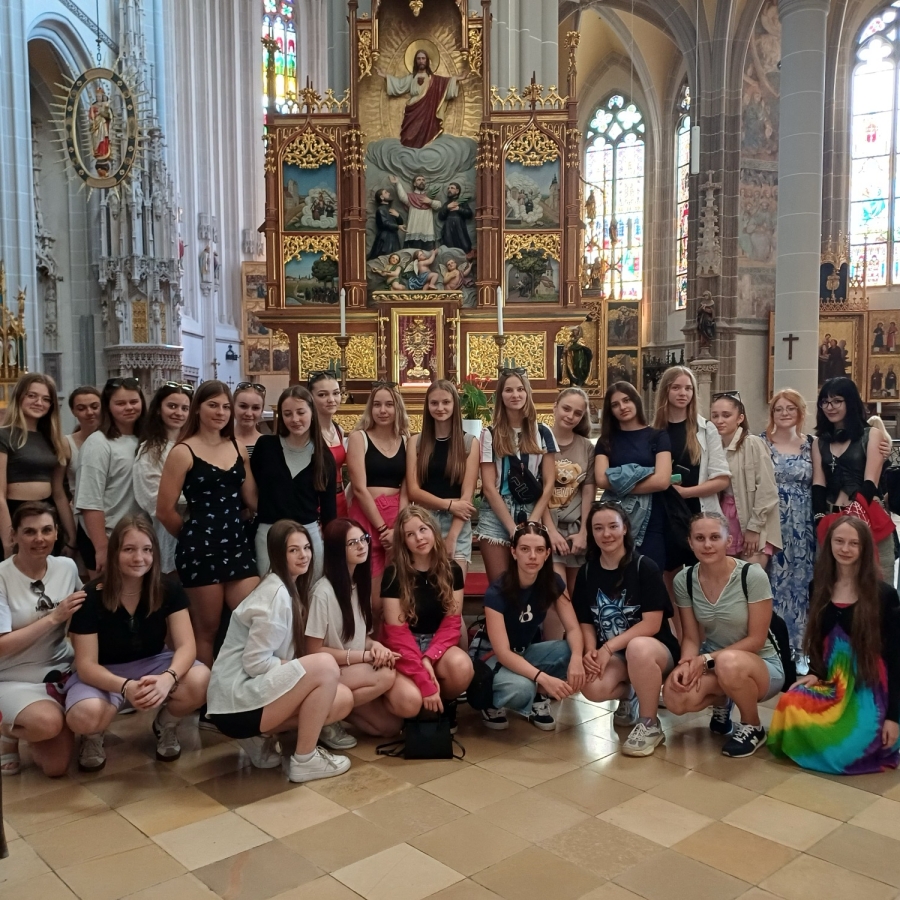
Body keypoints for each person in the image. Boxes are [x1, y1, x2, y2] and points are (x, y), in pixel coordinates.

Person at [207, 520, 353, 783]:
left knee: (340, 696)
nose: (303, 555)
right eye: (293, 550)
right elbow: (255, 663)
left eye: (307, 547)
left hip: (235, 702)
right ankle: (305, 760)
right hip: (236, 703)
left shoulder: (286, 588)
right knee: (325, 666)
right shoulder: (276, 595)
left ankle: (258, 737)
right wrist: (302, 668)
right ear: (277, 554)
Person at [64, 516, 210, 771]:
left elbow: (187, 647)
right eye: (129, 549)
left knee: (202, 679)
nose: (139, 558)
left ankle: (166, 724)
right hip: (104, 672)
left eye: (147, 550)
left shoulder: (168, 588)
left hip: (155, 663)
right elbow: (86, 666)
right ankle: (93, 735)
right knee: (83, 716)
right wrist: (126, 687)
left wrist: (168, 678)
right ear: (114, 553)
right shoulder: (90, 597)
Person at [770, 518, 900, 774]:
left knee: (845, 751)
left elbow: (896, 659)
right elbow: (819, 639)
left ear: (865, 548)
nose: (845, 549)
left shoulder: (884, 595)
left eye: (854, 543)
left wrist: (893, 717)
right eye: (839, 541)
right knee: (789, 702)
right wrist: (815, 672)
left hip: (869, 689)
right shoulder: (818, 587)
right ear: (829, 544)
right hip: (833, 683)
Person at [663, 512, 785, 758]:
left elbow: (756, 640)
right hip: (714, 661)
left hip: (761, 664)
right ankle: (723, 700)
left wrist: (706, 660)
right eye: (700, 538)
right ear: (690, 542)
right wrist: (686, 663)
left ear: (728, 541)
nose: (707, 544)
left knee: (728, 663)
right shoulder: (684, 580)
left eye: (714, 537)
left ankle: (752, 725)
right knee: (674, 697)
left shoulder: (752, 575)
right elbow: (691, 638)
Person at [157, 381, 259, 666]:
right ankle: (207, 690)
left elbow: (252, 498)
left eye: (226, 407)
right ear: (197, 409)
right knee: (207, 629)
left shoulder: (237, 446)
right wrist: (192, 537)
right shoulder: (183, 451)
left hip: (237, 545)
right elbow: (164, 510)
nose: (220, 412)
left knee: (254, 618)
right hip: (200, 551)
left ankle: (239, 682)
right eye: (213, 405)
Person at [573, 502, 680, 757]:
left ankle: (650, 723)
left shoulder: (645, 567)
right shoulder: (586, 572)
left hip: (655, 651)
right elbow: (585, 620)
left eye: (613, 526)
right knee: (592, 686)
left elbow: (652, 624)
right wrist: (591, 650)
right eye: (598, 528)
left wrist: (608, 648)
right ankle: (630, 693)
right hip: (617, 655)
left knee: (637, 647)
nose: (606, 534)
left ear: (625, 529)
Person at [475, 521, 584, 731]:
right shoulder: (497, 591)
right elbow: (503, 653)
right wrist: (544, 678)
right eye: (525, 549)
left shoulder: (552, 582)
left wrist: (578, 659)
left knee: (575, 650)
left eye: (539, 550)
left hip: (525, 651)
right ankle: (492, 701)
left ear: (547, 554)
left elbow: (572, 629)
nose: (532, 556)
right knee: (522, 688)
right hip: (493, 657)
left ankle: (539, 695)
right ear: (514, 552)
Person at [0, 502, 84, 776]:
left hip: (62, 672)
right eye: (29, 532)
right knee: (47, 724)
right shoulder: (1, 576)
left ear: (57, 533)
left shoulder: (67, 567)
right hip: (12, 678)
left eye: (47, 530)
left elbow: (87, 613)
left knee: (56, 768)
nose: (39, 538)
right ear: (13, 535)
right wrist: (53, 618)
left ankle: (42, 721)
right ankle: (6, 733)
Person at [306, 518, 408, 742]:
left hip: (351, 669)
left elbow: (363, 637)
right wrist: (364, 656)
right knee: (385, 674)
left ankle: (333, 710)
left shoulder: (358, 584)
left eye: (364, 539)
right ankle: (322, 717)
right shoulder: (322, 593)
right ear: (336, 551)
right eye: (352, 543)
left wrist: (376, 646)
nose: (362, 546)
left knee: (390, 726)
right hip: (328, 671)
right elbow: (313, 651)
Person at [381, 506, 473, 719]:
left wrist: (429, 658)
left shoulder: (452, 569)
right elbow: (397, 636)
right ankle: (422, 702)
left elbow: (452, 623)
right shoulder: (394, 574)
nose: (419, 538)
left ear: (433, 530)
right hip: (405, 646)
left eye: (423, 529)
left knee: (462, 667)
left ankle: (444, 704)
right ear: (403, 542)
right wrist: (424, 680)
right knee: (409, 702)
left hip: (437, 642)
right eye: (410, 534)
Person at [476, 369, 559, 585]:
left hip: (531, 508)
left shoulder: (542, 432)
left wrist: (533, 520)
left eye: (520, 389)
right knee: (500, 585)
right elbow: (488, 487)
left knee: (530, 583)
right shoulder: (490, 434)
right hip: (497, 512)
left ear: (527, 393)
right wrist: (512, 529)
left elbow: (549, 482)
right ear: (501, 396)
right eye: (509, 390)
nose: (515, 395)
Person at [653, 366, 730, 589]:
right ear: (666, 391)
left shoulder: (705, 429)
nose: (683, 393)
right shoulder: (654, 431)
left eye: (688, 388)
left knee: (705, 575)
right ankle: (677, 615)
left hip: (698, 509)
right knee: (670, 575)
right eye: (676, 388)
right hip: (666, 511)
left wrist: (686, 492)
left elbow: (722, 479)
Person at [812, 377, 894, 585]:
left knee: (875, 584)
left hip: (866, 514)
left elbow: (870, 481)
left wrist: (851, 517)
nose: (830, 407)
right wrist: (820, 517)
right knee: (832, 583)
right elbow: (819, 484)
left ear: (850, 401)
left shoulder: (871, 435)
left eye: (837, 401)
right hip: (831, 516)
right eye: (825, 402)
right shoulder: (819, 442)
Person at [251, 386, 336, 579]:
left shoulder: (324, 456)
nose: (295, 419)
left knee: (309, 591)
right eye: (287, 414)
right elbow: (252, 488)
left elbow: (329, 511)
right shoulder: (266, 447)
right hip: (270, 533)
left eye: (300, 412)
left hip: (307, 535)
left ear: (312, 413)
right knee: (271, 590)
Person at [595, 382, 672, 571]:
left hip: (652, 517)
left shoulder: (658, 436)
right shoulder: (605, 441)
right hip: (616, 517)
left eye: (627, 400)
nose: (622, 407)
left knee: (650, 573)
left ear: (636, 401)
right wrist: (645, 476)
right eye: (615, 404)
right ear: (610, 411)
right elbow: (601, 480)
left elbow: (662, 481)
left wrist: (620, 483)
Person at [761, 390, 816, 655]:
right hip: (772, 518)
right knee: (773, 579)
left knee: (801, 581)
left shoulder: (811, 444)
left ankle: (801, 647)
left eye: (790, 408)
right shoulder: (761, 442)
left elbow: (819, 482)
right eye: (779, 409)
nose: (784, 413)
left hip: (802, 522)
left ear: (800, 412)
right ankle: (774, 646)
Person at [346, 382, 409, 613]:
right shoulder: (359, 438)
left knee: (393, 588)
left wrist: (398, 528)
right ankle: (368, 631)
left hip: (396, 516)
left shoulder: (405, 440)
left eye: (389, 405)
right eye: (377, 405)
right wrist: (383, 529)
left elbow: (407, 488)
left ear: (397, 408)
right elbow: (359, 488)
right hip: (367, 514)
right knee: (371, 595)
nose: (383, 410)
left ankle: (390, 632)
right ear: (370, 409)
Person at [0, 374, 77, 562]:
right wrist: (8, 538)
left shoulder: (54, 440)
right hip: (13, 513)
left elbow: (59, 493)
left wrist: (72, 536)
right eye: (32, 396)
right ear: (20, 397)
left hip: (47, 515)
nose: (39, 403)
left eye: (46, 399)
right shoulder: (4, 435)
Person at [74, 377, 146, 576]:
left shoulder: (146, 439)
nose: (129, 407)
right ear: (108, 406)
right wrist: (101, 548)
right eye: (120, 403)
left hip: (140, 537)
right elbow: (90, 501)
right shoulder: (98, 443)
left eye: (134, 401)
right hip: (109, 537)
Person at [406, 380, 479, 576]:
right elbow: (413, 491)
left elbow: (467, 496)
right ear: (427, 406)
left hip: (457, 523)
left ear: (454, 404)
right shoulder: (416, 442)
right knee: (424, 587)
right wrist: (450, 505)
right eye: (434, 403)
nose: (440, 408)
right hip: (424, 521)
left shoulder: (469, 443)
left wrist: (452, 537)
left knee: (453, 589)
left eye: (446, 402)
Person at [709, 392, 782, 568]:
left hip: (750, 515)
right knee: (727, 578)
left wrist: (754, 528)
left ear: (740, 418)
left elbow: (767, 490)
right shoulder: (712, 447)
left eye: (726, 415)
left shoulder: (752, 443)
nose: (720, 420)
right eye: (715, 416)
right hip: (723, 515)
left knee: (750, 577)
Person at [133, 384, 192, 575]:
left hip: (203, 529)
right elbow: (151, 497)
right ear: (159, 409)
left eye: (185, 408)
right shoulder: (150, 450)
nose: (179, 413)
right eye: (172, 406)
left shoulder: (196, 444)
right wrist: (198, 498)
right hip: (169, 531)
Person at [308, 370, 350, 518]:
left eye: (336, 393)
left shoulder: (338, 430)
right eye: (322, 395)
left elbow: (339, 470)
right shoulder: (307, 432)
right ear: (311, 397)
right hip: (316, 501)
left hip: (339, 498)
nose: (331, 399)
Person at [65, 386, 102, 497]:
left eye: (95, 407)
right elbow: (57, 489)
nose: (89, 412)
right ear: (73, 412)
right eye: (81, 408)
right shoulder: (66, 443)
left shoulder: (115, 439)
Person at [233, 382, 267, 459]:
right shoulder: (220, 441)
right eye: (243, 406)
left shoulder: (269, 444)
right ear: (233, 407)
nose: (249, 413)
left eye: (255, 408)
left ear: (261, 410)